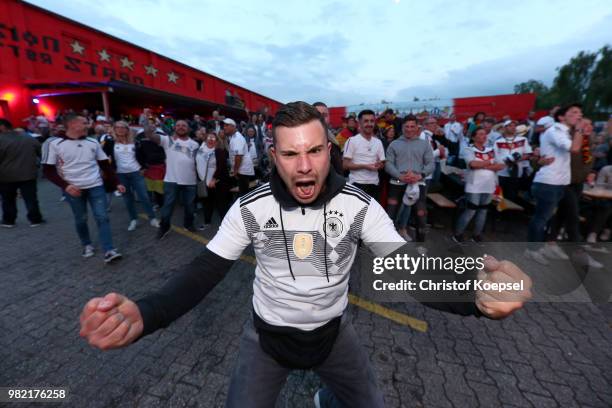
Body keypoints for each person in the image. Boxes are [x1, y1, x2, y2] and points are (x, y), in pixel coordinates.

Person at [79, 102, 531, 408]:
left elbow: (407, 269)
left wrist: (475, 293)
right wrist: (147, 311)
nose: (304, 166)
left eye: (314, 151)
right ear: (273, 156)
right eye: (291, 153)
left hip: (333, 336)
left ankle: (327, 397)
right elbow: (203, 271)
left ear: (329, 151)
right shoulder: (249, 208)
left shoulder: (360, 205)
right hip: (266, 341)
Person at [42, 113, 124, 263]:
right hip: (74, 189)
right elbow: (48, 170)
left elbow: (105, 165)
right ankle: (86, 244)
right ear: (73, 125)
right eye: (85, 123)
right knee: (81, 219)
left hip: (96, 186)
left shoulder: (93, 142)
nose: (88, 125)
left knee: (103, 217)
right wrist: (66, 186)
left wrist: (116, 182)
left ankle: (109, 250)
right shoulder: (53, 143)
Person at [525, 104, 585, 265]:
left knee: (551, 217)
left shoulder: (564, 132)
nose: (579, 115)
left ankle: (543, 245)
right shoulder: (555, 131)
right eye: (574, 112)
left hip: (559, 183)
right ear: (561, 117)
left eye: (580, 113)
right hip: (548, 182)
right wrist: (580, 129)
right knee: (541, 218)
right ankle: (532, 250)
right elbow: (574, 149)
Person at [144, 119, 200, 238]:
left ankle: (188, 224)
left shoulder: (195, 144)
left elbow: (196, 162)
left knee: (190, 206)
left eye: (184, 125)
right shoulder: (168, 140)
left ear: (188, 129)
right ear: (174, 128)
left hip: (190, 181)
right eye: (178, 125)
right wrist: (149, 128)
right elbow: (150, 136)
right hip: (171, 180)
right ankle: (165, 227)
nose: (181, 127)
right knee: (168, 206)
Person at [102, 121, 160, 231]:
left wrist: (144, 167)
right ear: (114, 129)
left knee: (144, 196)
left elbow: (144, 155)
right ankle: (133, 219)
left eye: (123, 127)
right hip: (120, 174)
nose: (120, 129)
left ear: (127, 129)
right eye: (117, 127)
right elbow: (103, 158)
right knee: (128, 199)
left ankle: (152, 218)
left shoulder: (135, 141)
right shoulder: (110, 142)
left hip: (136, 173)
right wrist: (108, 172)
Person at [385, 115, 434, 242]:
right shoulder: (394, 144)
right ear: (402, 127)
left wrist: (420, 175)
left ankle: (420, 246)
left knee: (421, 216)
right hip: (396, 183)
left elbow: (430, 164)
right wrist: (399, 175)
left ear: (417, 127)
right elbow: (388, 163)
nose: (409, 129)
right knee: (390, 216)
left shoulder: (425, 144)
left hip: (418, 183)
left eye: (412, 126)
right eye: (406, 126)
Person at [452, 127, 505, 243]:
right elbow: (473, 164)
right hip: (474, 185)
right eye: (481, 134)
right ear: (473, 137)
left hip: (490, 185)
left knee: (483, 210)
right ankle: (458, 233)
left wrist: (483, 165)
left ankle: (477, 234)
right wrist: (490, 162)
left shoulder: (491, 150)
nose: (484, 136)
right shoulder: (468, 149)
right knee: (471, 210)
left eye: (485, 134)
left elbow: (501, 165)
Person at [0, 118, 45, 228]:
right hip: (28, 174)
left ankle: (9, 220)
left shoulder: (1, 139)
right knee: (31, 198)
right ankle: (35, 219)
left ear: (2, 127)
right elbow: (40, 152)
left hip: (7, 176)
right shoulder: (27, 137)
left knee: (8, 199)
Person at [342, 109, 385, 198]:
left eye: (372, 121)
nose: (369, 124)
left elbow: (382, 163)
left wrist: (379, 165)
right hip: (357, 184)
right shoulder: (352, 141)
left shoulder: (378, 142)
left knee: (373, 212)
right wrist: (365, 166)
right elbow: (345, 165)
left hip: (374, 184)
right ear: (359, 123)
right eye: (366, 121)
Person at [195, 132, 230, 229]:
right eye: (209, 138)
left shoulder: (219, 151)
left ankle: (227, 226)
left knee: (221, 204)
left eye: (213, 138)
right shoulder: (200, 150)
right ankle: (207, 222)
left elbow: (222, 167)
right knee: (207, 203)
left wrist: (214, 179)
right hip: (204, 182)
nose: (211, 140)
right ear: (205, 139)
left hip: (218, 183)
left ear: (217, 141)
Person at [493, 119, 532, 204]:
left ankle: (509, 214)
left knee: (512, 195)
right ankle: (498, 214)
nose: (513, 127)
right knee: (499, 196)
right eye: (510, 125)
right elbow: (494, 157)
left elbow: (528, 154)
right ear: (504, 128)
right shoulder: (498, 141)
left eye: (514, 125)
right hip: (501, 172)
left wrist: (515, 160)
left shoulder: (523, 139)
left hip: (516, 172)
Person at [223, 118, 255, 195]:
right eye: (224, 125)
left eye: (227, 125)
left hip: (242, 170)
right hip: (242, 170)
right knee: (243, 193)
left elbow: (238, 156)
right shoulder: (234, 137)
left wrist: (235, 171)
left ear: (233, 127)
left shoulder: (237, 138)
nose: (224, 127)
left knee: (243, 195)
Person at [313, 102, 343, 176]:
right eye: (318, 115)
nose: (321, 118)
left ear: (329, 118)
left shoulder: (333, 140)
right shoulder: (304, 141)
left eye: (324, 115)